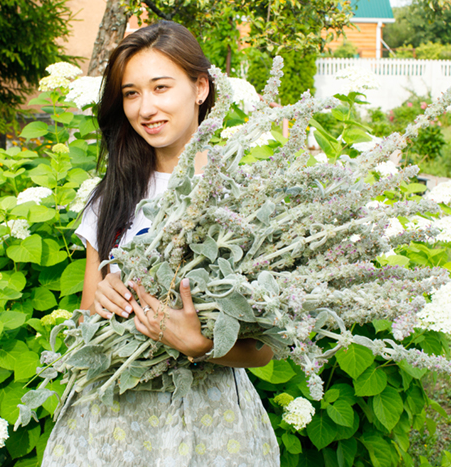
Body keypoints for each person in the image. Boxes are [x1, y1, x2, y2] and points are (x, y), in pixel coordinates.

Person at [42, 21, 279, 467]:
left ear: (201, 88)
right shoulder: (111, 194)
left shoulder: (241, 199)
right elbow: (87, 314)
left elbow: (262, 351)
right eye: (131, 93)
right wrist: (105, 294)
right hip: (111, 420)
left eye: (161, 87)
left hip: (207, 425)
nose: (145, 107)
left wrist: (201, 345)